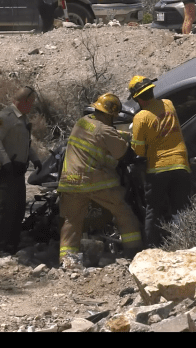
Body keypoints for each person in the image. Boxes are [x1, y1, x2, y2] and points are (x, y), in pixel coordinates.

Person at [57, 93, 143, 269]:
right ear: (110, 114)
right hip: (94, 182)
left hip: (70, 181)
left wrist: (121, 134)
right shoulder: (105, 130)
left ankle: (67, 261)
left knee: (72, 221)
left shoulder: (83, 122)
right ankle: (134, 253)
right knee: (123, 212)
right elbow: (124, 154)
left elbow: (99, 134)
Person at [127, 75, 192, 248]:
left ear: (137, 98)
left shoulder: (140, 118)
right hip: (180, 163)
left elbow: (139, 151)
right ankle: (185, 243)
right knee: (181, 207)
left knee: (152, 211)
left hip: (158, 169)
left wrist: (132, 139)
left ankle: (152, 248)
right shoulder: (168, 104)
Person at [0, 86, 42, 254]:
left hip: (17, 170)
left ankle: (12, 244)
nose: (32, 106)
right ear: (23, 102)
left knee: (18, 208)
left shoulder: (23, 119)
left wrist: (35, 159)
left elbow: (25, 143)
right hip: (5, 170)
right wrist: (5, 162)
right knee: (7, 207)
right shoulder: (5, 117)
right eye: (30, 103)